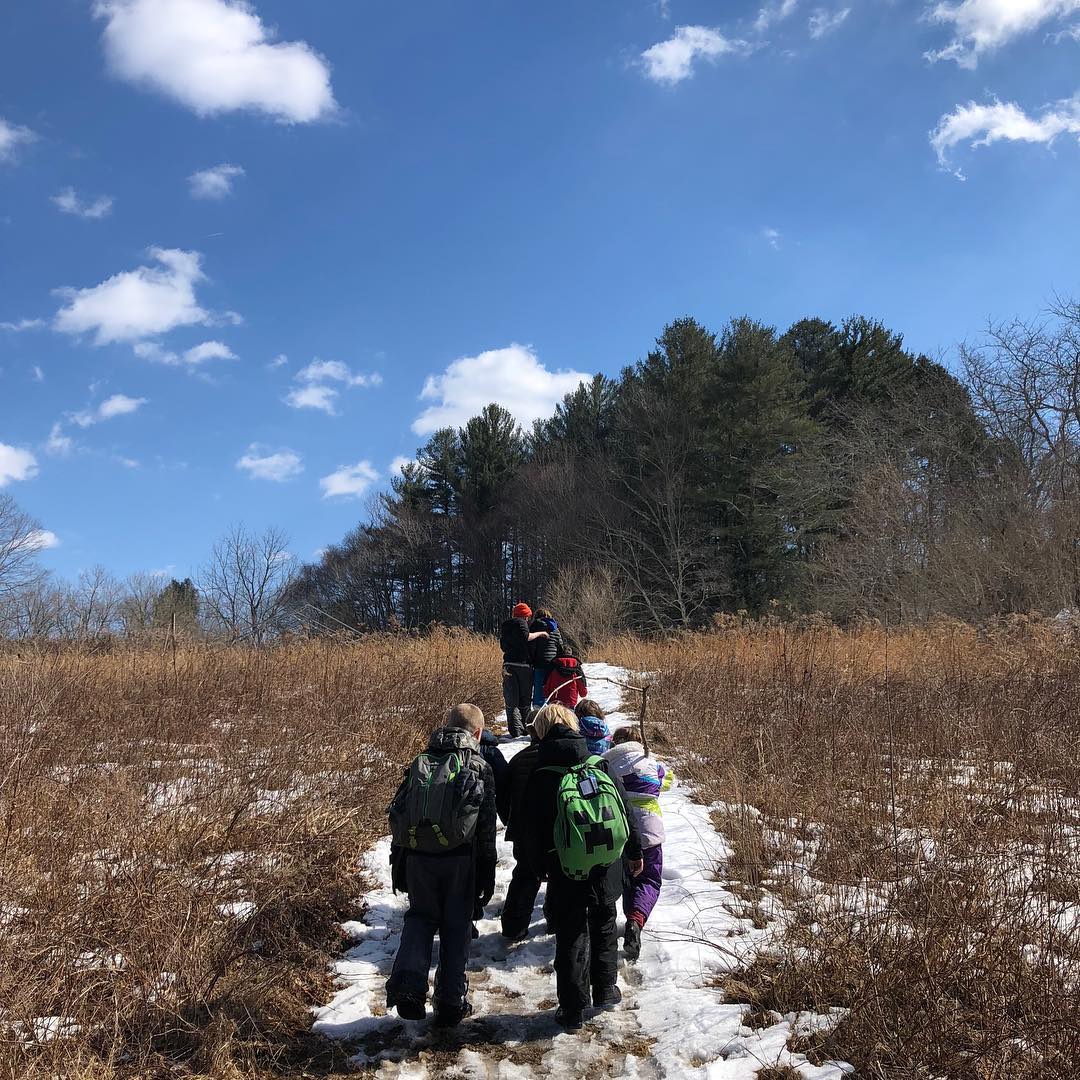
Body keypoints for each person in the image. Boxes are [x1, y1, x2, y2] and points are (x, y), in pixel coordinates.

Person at [518, 704, 643, 1030]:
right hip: (606, 860)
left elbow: (531, 829)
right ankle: (605, 989)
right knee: (604, 923)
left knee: (571, 932)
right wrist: (634, 852)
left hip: (565, 866)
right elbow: (625, 810)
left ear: (541, 731)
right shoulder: (598, 762)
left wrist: (539, 867)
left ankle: (572, 1008)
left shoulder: (542, 774)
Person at [385, 704, 498, 1026]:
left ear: (446, 726)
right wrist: (487, 873)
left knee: (420, 918)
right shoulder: (478, 765)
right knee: (456, 926)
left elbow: (402, 811)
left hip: (417, 857)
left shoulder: (421, 760)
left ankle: (408, 987)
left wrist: (399, 862)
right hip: (460, 860)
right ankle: (450, 1000)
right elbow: (486, 827)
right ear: (477, 733)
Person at [602, 726, 675, 962]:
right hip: (649, 831)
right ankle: (636, 919)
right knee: (648, 879)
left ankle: (615, 920)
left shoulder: (605, 764)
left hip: (618, 830)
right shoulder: (652, 764)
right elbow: (669, 782)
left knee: (622, 877)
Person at [499, 722, 544, 941]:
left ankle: (513, 926)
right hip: (552, 830)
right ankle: (555, 920)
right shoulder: (558, 757)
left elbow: (502, 797)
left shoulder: (518, 759)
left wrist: (511, 822)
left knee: (525, 875)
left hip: (522, 830)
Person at [500, 602, 548, 738]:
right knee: (525, 699)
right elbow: (526, 637)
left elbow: (503, 646)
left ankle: (515, 730)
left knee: (511, 700)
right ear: (525, 615)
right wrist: (541, 633)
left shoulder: (505, 626)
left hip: (508, 664)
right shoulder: (521, 623)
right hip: (523, 665)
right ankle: (526, 728)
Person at [529, 608, 564, 708]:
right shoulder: (555, 629)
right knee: (550, 690)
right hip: (552, 665)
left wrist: (530, 660)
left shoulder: (534, 627)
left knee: (538, 690)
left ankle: (538, 710)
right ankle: (551, 711)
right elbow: (560, 647)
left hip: (538, 664)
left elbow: (531, 646)